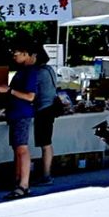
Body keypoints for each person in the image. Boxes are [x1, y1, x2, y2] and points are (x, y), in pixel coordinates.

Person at [0, 41, 37, 200]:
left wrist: (9, 90)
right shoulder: (22, 71)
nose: (14, 56)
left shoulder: (30, 72)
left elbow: (30, 96)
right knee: (17, 148)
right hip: (15, 113)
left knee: (22, 148)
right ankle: (18, 180)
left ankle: (23, 184)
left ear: (26, 54)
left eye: (16, 53)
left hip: (22, 113)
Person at [32, 48, 59, 186]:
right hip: (50, 107)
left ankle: (46, 175)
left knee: (45, 144)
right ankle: (46, 174)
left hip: (43, 109)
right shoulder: (49, 69)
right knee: (46, 143)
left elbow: (32, 93)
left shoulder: (39, 72)